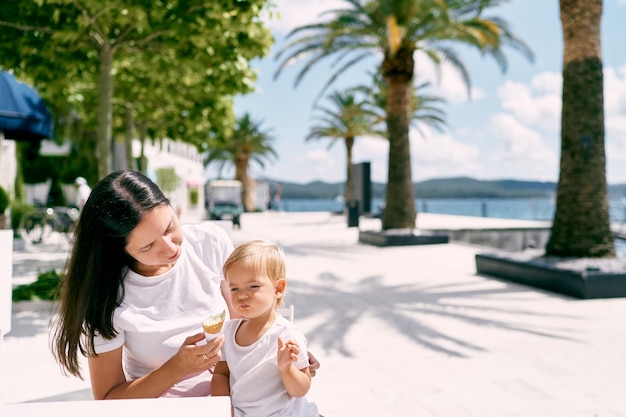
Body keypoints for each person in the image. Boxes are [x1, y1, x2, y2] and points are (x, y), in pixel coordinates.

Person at [50, 170, 320, 400]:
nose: (170, 249)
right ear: (120, 250)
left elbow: (246, 319)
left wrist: (281, 353)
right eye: (148, 246)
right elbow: (108, 398)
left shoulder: (210, 242)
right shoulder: (107, 295)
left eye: (169, 228)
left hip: (237, 398)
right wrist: (176, 368)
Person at [211, 240, 320, 417]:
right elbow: (221, 375)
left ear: (278, 289)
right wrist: (224, 408)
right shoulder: (229, 331)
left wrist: (287, 369)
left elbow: (300, 389)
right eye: (234, 288)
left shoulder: (286, 335)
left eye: (253, 286)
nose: (242, 295)